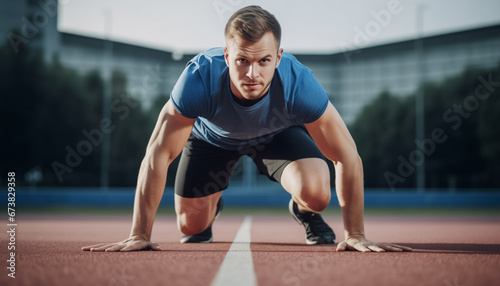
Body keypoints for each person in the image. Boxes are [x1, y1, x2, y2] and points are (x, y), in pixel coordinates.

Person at [82, 5, 412, 253]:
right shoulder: (198, 80)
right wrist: (140, 233)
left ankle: (303, 211)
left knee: (317, 193)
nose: (252, 72)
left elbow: (347, 155)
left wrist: (354, 233)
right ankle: (211, 205)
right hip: (212, 139)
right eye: (242, 60)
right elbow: (157, 154)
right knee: (191, 228)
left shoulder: (299, 84)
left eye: (264, 61)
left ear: (279, 57)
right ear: (226, 56)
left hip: (276, 136)